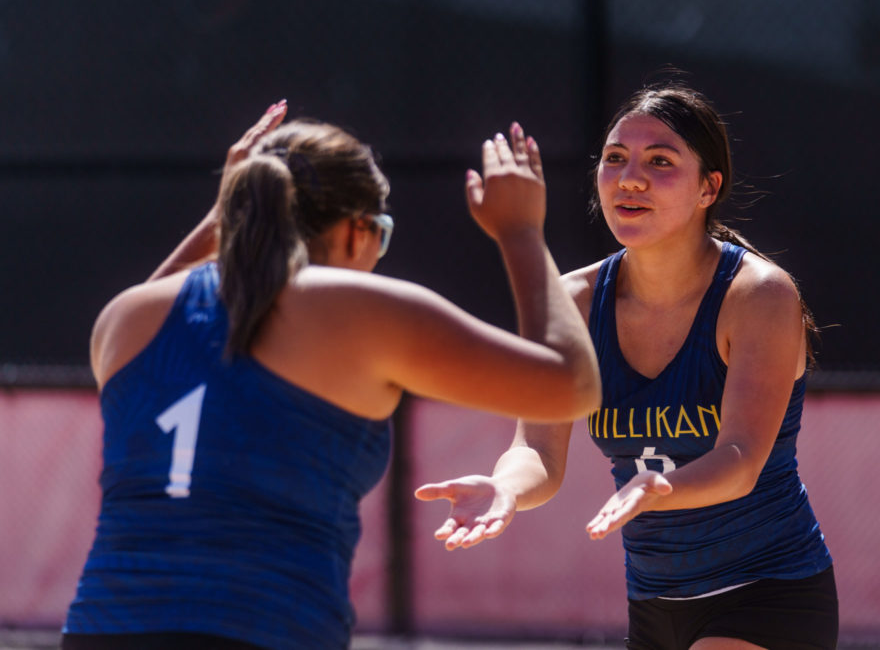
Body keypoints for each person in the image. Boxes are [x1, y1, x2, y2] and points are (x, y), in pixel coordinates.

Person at [61, 100, 600, 650]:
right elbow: (573, 386)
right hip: (264, 631)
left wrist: (221, 215)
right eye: (380, 234)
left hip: (100, 629)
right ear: (354, 232)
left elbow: (152, 331)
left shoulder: (123, 320)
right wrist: (521, 234)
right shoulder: (362, 312)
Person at [416, 80, 838, 649]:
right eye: (615, 158)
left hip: (768, 589)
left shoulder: (759, 295)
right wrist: (504, 488)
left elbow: (740, 461)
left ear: (708, 188)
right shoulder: (573, 300)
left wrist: (657, 487)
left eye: (660, 161)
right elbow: (537, 451)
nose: (629, 177)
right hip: (653, 603)